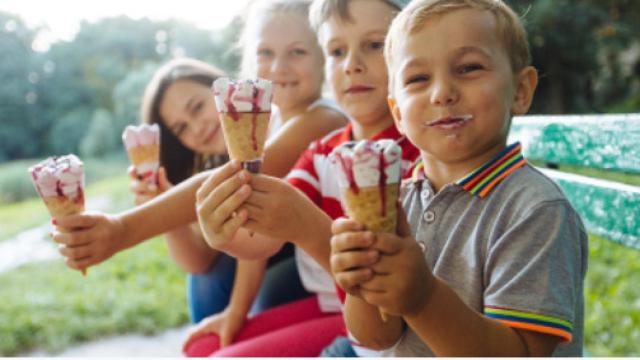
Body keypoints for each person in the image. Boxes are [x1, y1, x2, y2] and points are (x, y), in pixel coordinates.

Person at [51, 0, 347, 344]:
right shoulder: (276, 122)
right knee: (207, 286)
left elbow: (239, 186)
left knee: (243, 288)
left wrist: (121, 230)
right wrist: (234, 314)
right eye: (265, 53)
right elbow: (206, 257)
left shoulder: (322, 119)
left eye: (296, 52)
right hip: (300, 270)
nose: (278, 67)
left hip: (337, 287)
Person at [329, 0, 588, 356]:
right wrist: (359, 283)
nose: (442, 93)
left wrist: (423, 299)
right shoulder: (398, 201)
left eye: (468, 68)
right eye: (418, 78)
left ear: (521, 90)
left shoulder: (534, 210)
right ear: (398, 114)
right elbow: (376, 338)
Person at [185, 0, 417, 356]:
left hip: (380, 330)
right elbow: (263, 240)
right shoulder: (321, 153)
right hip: (329, 307)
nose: (352, 65)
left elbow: (395, 306)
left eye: (374, 45)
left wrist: (306, 225)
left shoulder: (419, 156)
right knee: (202, 348)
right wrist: (224, 231)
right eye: (337, 51)